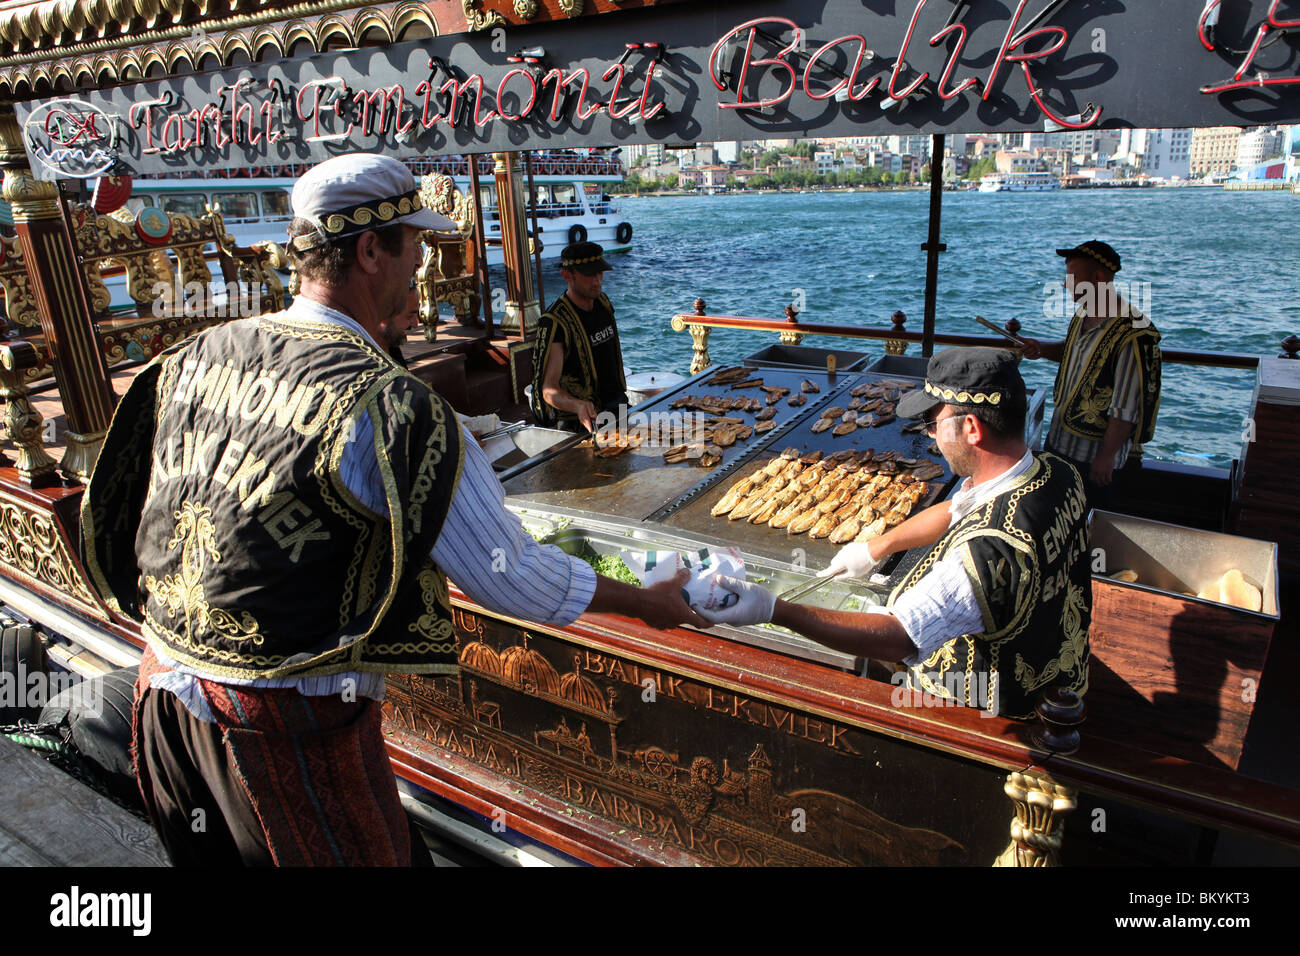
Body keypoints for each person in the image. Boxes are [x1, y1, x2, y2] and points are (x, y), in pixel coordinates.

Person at [81, 153, 705, 866]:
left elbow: (120, 504)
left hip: (161, 691)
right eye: (415, 245)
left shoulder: (201, 350)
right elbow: (511, 579)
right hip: (279, 732)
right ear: (371, 249)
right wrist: (646, 602)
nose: (423, 264)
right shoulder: (391, 405)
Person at [697, 348, 1091, 720]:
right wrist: (875, 547)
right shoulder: (1056, 471)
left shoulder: (984, 553)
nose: (931, 437)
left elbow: (901, 636)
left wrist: (775, 610)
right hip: (1063, 672)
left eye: (933, 423)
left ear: (971, 427)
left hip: (991, 714)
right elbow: (958, 508)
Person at [1020, 240, 1161, 507]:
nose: (1065, 285)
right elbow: (1072, 352)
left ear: (1097, 278)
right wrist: (1040, 349)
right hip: (1061, 443)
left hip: (1093, 460)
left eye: (1072, 278)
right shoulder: (1085, 313)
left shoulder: (1132, 334)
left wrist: (1106, 457)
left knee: (1087, 523)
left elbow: (1127, 407)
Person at [529, 241, 628, 432]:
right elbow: (548, 390)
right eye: (589, 274)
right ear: (567, 275)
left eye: (600, 273)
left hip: (617, 405)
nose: (597, 280)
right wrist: (578, 405)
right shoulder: (556, 321)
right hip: (582, 421)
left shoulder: (603, 302)